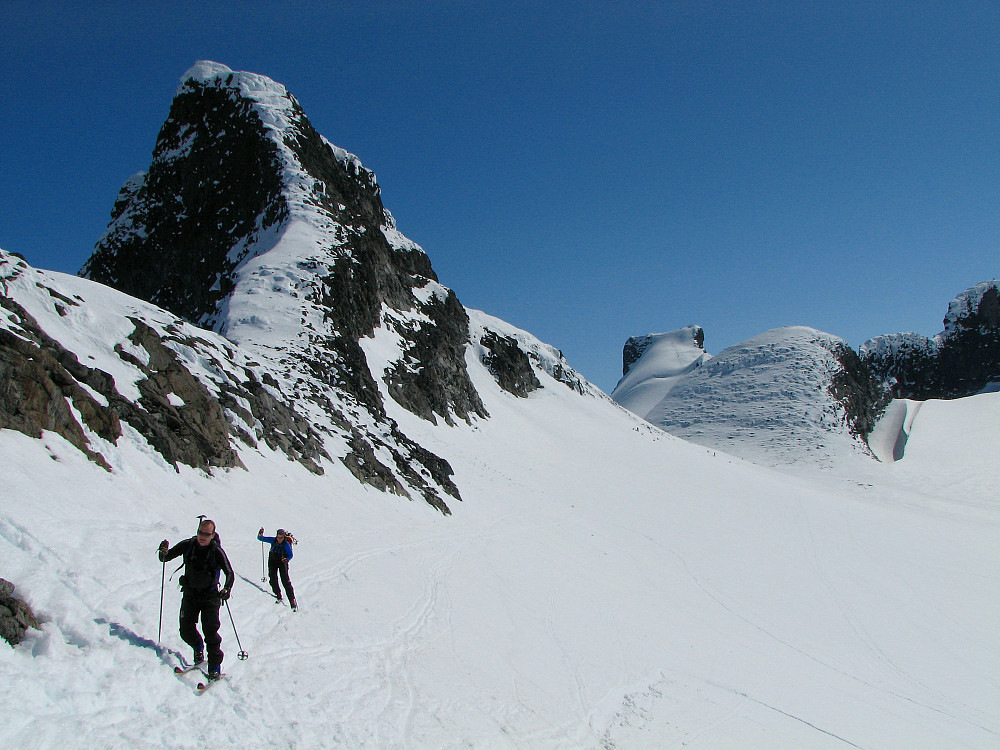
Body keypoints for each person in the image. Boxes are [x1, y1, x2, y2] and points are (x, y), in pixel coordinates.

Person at [158, 519, 234, 680]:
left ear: (212, 535)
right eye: (200, 532)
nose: (202, 536)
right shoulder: (189, 545)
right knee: (185, 630)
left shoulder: (216, 551)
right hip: (190, 594)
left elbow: (229, 573)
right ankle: (198, 648)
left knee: (211, 633)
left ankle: (214, 667)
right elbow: (166, 558)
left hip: (210, 597)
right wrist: (163, 551)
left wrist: (226, 589)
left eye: (207, 534)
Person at [258, 527, 296, 610]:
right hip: (272, 561)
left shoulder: (286, 544)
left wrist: (286, 559)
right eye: (278, 537)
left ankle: (292, 601)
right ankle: (278, 594)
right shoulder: (273, 540)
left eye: (281, 538)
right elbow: (260, 538)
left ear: (284, 537)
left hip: (282, 562)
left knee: (285, 581)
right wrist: (260, 533)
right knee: (273, 579)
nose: (279, 539)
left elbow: (290, 555)